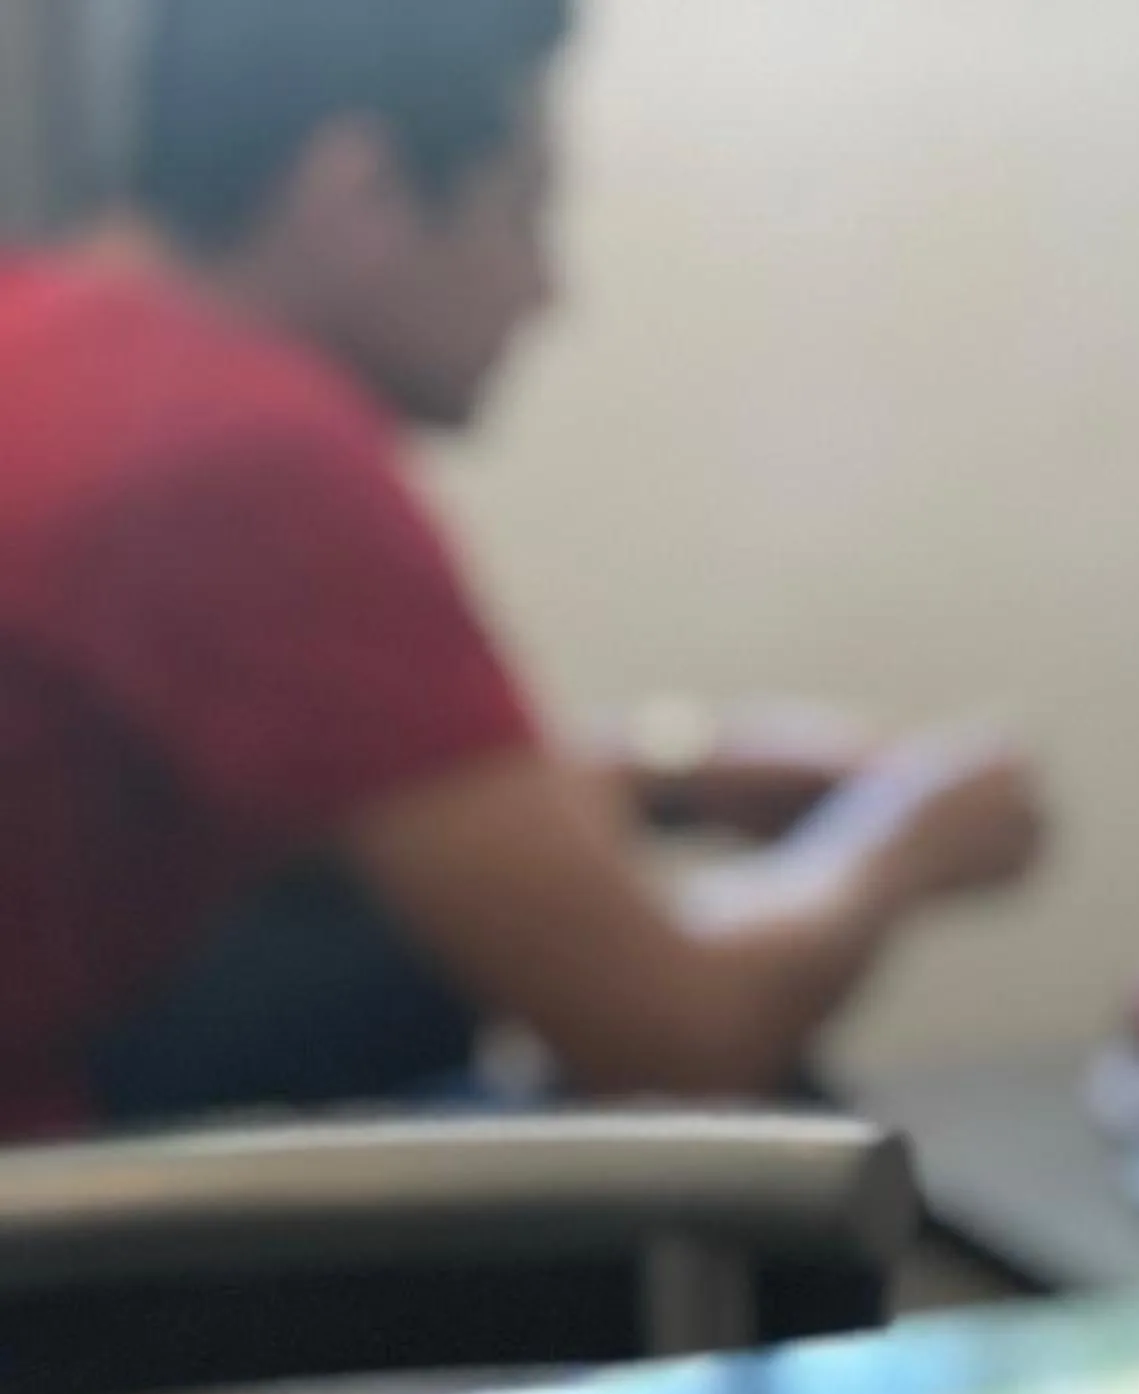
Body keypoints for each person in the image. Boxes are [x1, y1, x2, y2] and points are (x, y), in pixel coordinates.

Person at [0, 0, 1046, 1141]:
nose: (548, 290)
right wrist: (907, 836)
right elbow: (676, 1028)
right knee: (753, 1150)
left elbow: (353, 800)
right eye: (523, 208)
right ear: (363, 193)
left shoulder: (50, 341)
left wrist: (674, 779)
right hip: (41, 1236)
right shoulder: (240, 453)